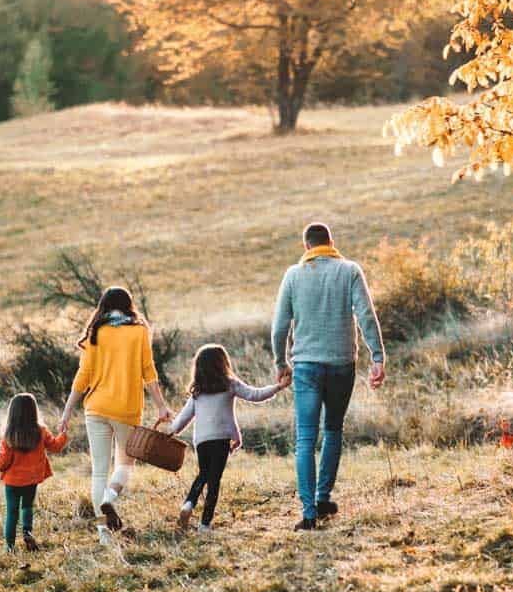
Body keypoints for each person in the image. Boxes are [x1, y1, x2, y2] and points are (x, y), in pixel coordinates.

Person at [271, 222, 386, 531]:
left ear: (306, 246)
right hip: (341, 365)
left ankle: (309, 513)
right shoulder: (349, 270)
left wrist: (280, 361)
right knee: (333, 430)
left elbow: (280, 324)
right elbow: (366, 315)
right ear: (331, 242)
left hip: (306, 366)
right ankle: (323, 498)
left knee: (305, 439)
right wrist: (377, 356)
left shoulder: (293, 275)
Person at [58, 286, 173, 544]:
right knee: (125, 465)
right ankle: (110, 498)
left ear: (104, 306)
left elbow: (83, 376)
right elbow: (148, 371)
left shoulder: (95, 332)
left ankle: (103, 532)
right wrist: (162, 406)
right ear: (129, 305)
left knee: (99, 471)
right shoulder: (139, 331)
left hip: (96, 408)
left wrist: (67, 411)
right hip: (125, 409)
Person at [169, 344, 291, 532]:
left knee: (203, 474)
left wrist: (169, 432)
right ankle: (204, 525)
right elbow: (255, 394)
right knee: (214, 481)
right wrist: (278, 387)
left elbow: (182, 419)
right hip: (220, 441)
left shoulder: (197, 392)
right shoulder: (229, 384)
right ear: (222, 364)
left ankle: (188, 504)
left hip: (202, 441)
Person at [0, 392, 68, 559]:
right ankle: (27, 535)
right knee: (27, 507)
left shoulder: (9, 435)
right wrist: (63, 434)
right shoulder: (41, 431)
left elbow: (3, 460)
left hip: (13, 481)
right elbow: (55, 446)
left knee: (11, 512)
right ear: (34, 411)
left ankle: (9, 548)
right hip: (32, 479)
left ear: (12, 412)